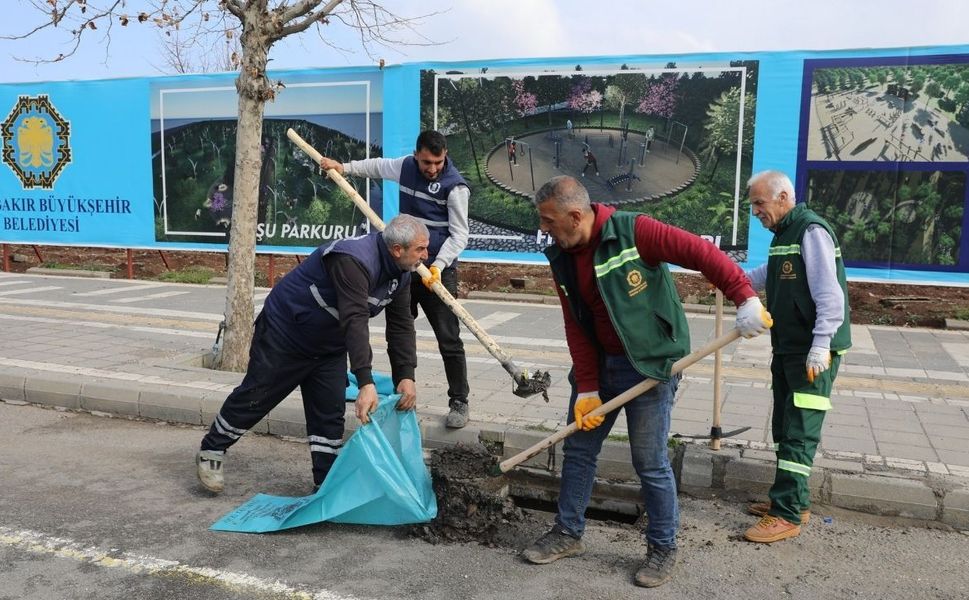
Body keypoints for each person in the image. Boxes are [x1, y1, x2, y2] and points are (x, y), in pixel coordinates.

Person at [521, 176, 771, 588]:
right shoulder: (563, 256)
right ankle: (567, 534)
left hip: (651, 367)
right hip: (600, 369)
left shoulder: (635, 231)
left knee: (649, 462)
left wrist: (745, 297)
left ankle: (662, 547)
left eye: (549, 221)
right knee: (579, 451)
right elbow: (576, 326)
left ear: (575, 215)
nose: (544, 228)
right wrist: (586, 386)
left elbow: (702, 252)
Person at [195, 215, 428, 494]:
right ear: (396, 249)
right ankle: (212, 450)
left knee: (329, 413)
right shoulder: (353, 260)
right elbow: (354, 319)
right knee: (256, 396)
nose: (425, 256)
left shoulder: (402, 274)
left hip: (329, 346)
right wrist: (365, 382)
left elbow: (401, 325)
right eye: (420, 249)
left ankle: (326, 484)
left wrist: (406, 375)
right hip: (286, 333)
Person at [318, 131, 472, 429]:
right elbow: (376, 166)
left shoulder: (456, 188)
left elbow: (460, 235)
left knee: (449, 337)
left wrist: (438, 265)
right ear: (417, 155)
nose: (432, 168)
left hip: (438, 269)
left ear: (445, 156)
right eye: (427, 162)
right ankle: (404, 388)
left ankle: (459, 400)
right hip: (403, 266)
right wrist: (344, 168)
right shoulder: (404, 167)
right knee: (399, 329)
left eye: (438, 162)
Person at [742, 170, 851, 543]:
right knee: (785, 428)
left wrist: (821, 345)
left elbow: (830, 296)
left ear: (784, 197)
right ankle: (792, 501)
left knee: (800, 433)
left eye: (760, 203)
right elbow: (766, 274)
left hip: (810, 353)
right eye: (753, 204)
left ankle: (787, 515)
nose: (755, 211)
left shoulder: (810, 231)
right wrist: (730, 280)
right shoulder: (784, 236)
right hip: (788, 348)